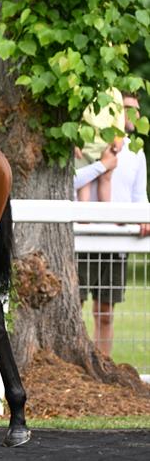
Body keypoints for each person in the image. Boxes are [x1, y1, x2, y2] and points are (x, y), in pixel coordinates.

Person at [74, 94, 148, 356]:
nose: (134, 116)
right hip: (84, 238)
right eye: (128, 109)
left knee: (105, 311)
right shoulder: (88, 143)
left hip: (116, 242)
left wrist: (143, 218)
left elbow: (139, 197)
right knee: (74, 306)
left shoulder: (136, 152)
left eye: (136, 110)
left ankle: (103, 364)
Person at [74, 87, 127, 203]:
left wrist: (118, 138)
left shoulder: (114, 92)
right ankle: (84, 216)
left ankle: (107, 212)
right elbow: (76, 116)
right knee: (85, 182)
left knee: (106, 179)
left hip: (106, 145)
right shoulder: (83, 86)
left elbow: (119, 118)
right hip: (84, 144)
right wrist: (75, 142)